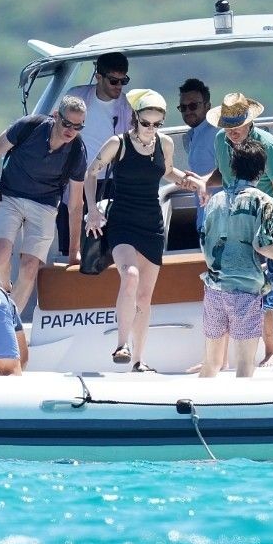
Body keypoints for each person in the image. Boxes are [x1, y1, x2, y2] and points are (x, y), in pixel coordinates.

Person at [84, 89, 206, 373]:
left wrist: (193, 182)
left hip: (152, 224)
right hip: (122, 221)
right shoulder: (118, 143)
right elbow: (91, 172)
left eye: (157, 124)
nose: (151, 128)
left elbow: (168, 171)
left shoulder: (164, 144)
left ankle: (139, 360)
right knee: (130, 276)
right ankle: (121, 345)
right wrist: (92, 210)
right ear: (135, 118)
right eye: (146, 122)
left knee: (144, 297)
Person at [206, 92, 273, 367]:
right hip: (231, 225)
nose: (232, 132)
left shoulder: (268, 146)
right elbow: (222, 174)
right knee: (223, 286)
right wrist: (202, 182)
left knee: (263, 291)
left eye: (237, 126)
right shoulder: (220, 140)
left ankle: (272, 351)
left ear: (249, 121)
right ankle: (218, 360)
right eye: (227, 127)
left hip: (264, 224)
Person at [0, 96, 87, 311]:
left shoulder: (77, 151)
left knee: (29, 268)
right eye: (67, 124)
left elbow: (76, 204)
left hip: (44, 205)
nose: (71, 131)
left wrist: (74, 251)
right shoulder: (29, 127)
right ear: (56, 116)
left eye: (78, 126)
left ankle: (10, 318)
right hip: (10, 195)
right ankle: (5, 287)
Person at [57, 52, 132, 255]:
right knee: (70, 245)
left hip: (110, 182)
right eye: (114, 81)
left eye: (123, 81)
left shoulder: (127, 106)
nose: (119, 86)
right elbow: (53, 129)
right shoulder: (75, 97)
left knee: (107, 247)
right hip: (75, 181)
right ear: (99, 77)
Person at [176, 78, 218, 232]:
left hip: (219, 220)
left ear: (208, 106)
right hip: (205, 219)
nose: (188, 111)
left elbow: (230, 169)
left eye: (193, 106)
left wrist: (202, 181)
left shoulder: (217, 133)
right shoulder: (191, 136)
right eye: (183, 107)